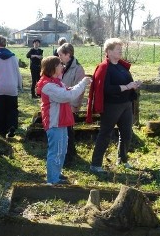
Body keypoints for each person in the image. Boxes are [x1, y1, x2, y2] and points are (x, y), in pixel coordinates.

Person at [86, 38, 141, 174]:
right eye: (118, 49)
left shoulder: (122, 66)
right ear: (109, 51)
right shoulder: (104, 68)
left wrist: (134, 85)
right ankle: (95, 164)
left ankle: (122, 159)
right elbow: (105, 89)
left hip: (126, 104)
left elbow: (128, 82)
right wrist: (125, 87)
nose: (120, 51)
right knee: (105, 134)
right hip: (111, 106)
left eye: (121, 49)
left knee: (127, 134)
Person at [36, 56, 91, 185]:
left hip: (61, 121)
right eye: (59, 65)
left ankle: (56, 174)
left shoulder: (56, 82)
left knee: (62, 150)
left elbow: (68, 91)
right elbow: (67, 96)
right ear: (52, 68)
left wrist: (80, 84)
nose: (62, 66)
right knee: (56, 151)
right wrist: (82, 84)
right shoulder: (48, 86)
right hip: (54, 122)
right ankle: (52, 180)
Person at [57, 43, 86, 164]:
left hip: (70, 106)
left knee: (68, 131)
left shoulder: (78, 69)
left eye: (60, 55)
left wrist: (74, 106)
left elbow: (79, 90)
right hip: (62, 104)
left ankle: (69, 157)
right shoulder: (63, 66)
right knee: (64, 131)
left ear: (68, 54)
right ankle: (68, 153)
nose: (58, 57)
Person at [0, 35, 22, 138]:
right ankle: (12, 126)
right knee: (12, 108)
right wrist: (20, 85)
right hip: (12, 86)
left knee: (0, 110)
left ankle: (2, 131)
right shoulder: (13, 56)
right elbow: (17, 72)